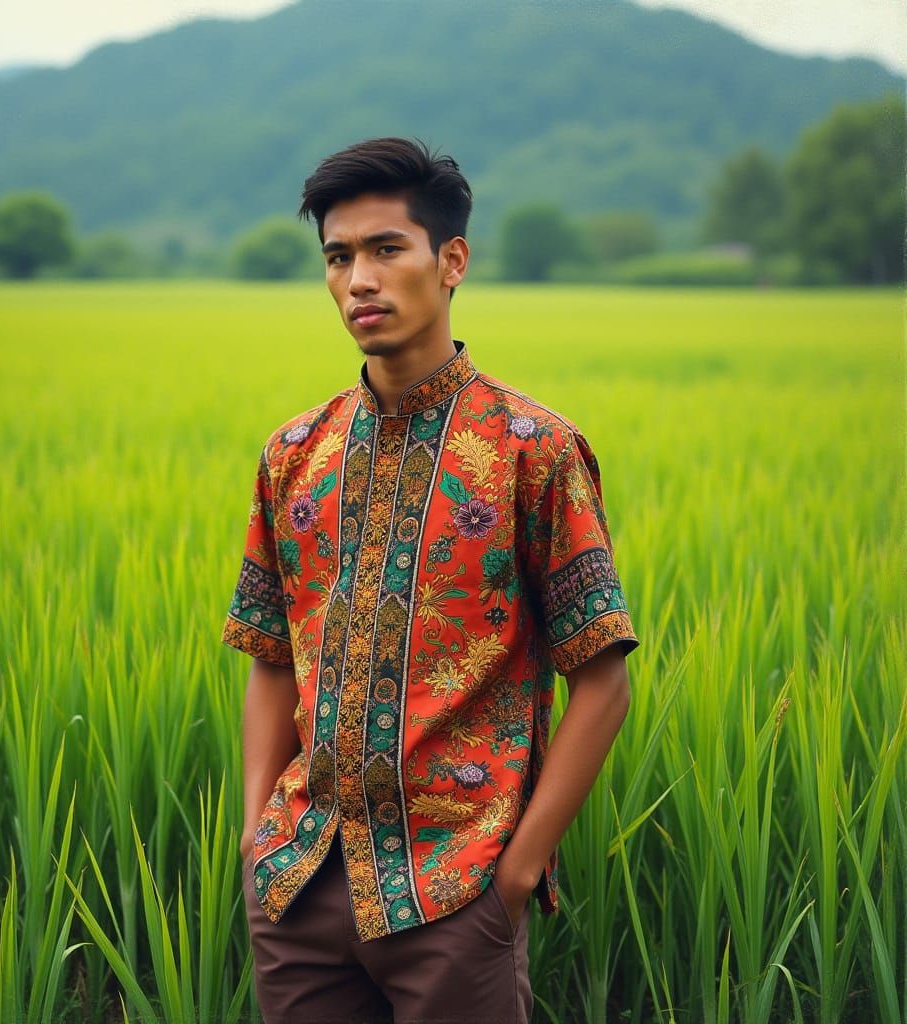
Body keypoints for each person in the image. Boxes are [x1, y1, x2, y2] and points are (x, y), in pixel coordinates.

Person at [221, 136, 640, 1024]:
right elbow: (268, 655)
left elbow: (602, 679)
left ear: (451, 261)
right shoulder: (295, 452)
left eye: (385, 249)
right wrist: (258, 834)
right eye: (338, 257)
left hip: (456, 890)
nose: (358, 280)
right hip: (298, 885)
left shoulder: (535, 450)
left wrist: (516, 876)